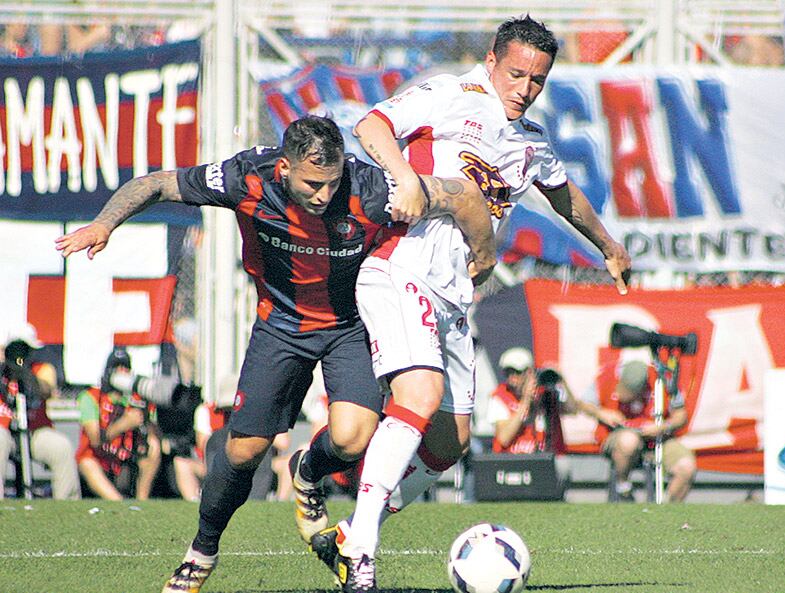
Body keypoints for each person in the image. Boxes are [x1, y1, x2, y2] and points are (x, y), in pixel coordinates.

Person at [55, 115, 495, 593]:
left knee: (352, 439)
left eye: (331, 183)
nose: (324, 195)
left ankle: (307, 469)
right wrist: (104, 223)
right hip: (281, 327)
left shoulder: (370, 188)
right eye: (312, 184)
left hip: (351, 326)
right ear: (284, 167)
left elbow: (464, 196)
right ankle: (202, 549)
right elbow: (156, 184)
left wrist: (483, 253)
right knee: (244, 451)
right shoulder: (246, 177)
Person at [313, 15, 631, 592]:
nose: (523, 89)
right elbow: (372, 125)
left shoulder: (530, 142)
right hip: (400, 267)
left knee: (451, 444)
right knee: (419, 395)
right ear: (491, 61)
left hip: (457, 296)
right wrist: (404, 175)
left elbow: (565, 198)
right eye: (515, 74)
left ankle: (351, 529)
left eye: (536, 80)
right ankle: (361, 550)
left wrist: (608, 245)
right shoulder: (449, 93)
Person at [577, 360, 696, 502]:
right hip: (618, 436)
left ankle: (667, 508)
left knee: (687, 466)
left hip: (656, 439)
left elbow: (681, 416)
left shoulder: (661, 381)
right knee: (629, 441)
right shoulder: (607, 376)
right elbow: (583, 404)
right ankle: (623, 488)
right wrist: (602, 413)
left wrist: (663, 427)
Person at [0, 324, 81, 500]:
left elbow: (47, 388)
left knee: (61, 447)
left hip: (34, 432)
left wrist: (28, 377)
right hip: (4, 430)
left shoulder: (41, 369)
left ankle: (67, 505)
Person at [486, 347, 578, 493]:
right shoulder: (500, 396)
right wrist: (526, 401)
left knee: (563, 465)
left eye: (517, 372)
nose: (512, 378)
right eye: (508, 373)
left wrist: (561, 381)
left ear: (529, 372)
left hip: (546, 458)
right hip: (512, 459)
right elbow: (504, 437)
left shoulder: (546, 393)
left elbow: (573, 410)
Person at [75, 347, 162, 500]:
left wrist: (145, 422)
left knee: (153, 445)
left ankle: (143, 500)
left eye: (125, 368)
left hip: (125, 456)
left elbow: (154, 433)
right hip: (99, 456)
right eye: (117, 369)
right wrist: (124, 424)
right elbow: (95, 440)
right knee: (87, 462)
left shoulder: (137, 398)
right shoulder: (91, 397)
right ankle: (116, 501)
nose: (122, 372)